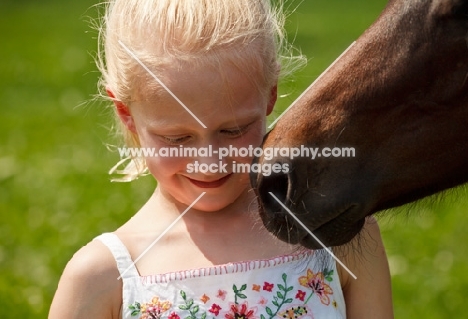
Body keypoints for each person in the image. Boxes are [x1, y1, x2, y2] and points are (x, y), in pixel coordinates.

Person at [49, 0, 393, 318]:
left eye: (234, 130)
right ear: (126, 113)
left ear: (270, 94)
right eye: (177, 138)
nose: (210, 162)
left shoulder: (336, 234)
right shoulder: (105, 277)